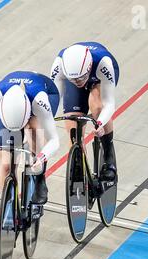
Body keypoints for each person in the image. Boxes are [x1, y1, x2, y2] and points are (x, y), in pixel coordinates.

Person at [0, 71, 60, 205]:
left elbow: (54, 140)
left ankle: (39, 177)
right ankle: (9, 209)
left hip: (45, 92)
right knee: (6, 165)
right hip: (11, 110)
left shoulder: (39, 101)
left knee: (33, 128)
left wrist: (42, 157)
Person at [51, 42, 119, 181]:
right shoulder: (59, 64)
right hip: (80, 72)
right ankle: (78, 163)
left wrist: (99, 122)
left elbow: (109, 103)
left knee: (98, 105)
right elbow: (53, 99)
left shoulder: (103, 62)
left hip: (98, 77)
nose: (78, 82)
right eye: (73, 79)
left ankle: (108, 155)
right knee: (72, 122)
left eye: (80, 78)